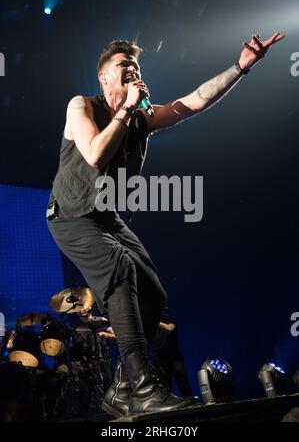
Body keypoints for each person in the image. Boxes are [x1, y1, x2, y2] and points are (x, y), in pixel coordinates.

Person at [47, 33, 285, 418]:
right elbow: (93, 155)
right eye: (125, 67)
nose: (133, 72)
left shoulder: (142, 118)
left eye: (136, 68)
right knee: (121, 269)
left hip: (107, 217)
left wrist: (240, 67)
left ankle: (122, 388)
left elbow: (193, 101)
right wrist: (125, 110)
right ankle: (142, 388)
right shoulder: (82, 106)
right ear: (104, 78)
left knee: (154, 294)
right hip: (71, 216)